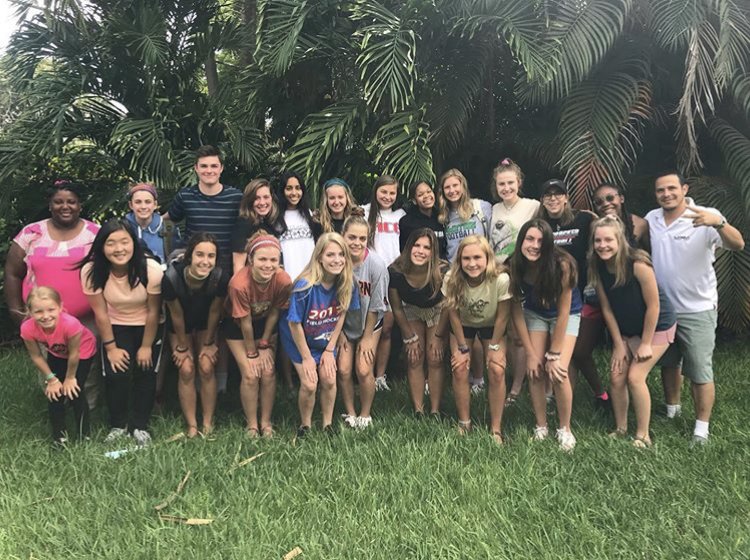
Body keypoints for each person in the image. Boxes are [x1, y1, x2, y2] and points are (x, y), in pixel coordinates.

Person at [645, 171, 744, 445]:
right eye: (660, 190)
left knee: (700, 369)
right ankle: (672, 410)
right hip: (664, 309)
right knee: (669, 363)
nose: (666, 194)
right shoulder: (652, 218)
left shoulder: (705, 214)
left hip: (697, 307)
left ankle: (701, 428)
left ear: (684, 189)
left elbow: (738, 244)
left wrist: (720, 223)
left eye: (671, 189)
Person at [589, 216, 676, 447]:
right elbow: (606, 308)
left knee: (635, 377)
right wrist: (619, 343)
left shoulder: (638, 263)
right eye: (598, 240)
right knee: (617, 377)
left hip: (657, 326)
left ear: (620, 240)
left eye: (608, 240)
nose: (602, 245)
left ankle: (643, 434)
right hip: (627, 329)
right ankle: (620, 427)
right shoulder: (596, 265)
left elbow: (654, 306)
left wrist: (646, 343)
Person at [78, 219, 164, 447]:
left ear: (134, 243)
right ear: (101, 247)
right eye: (111, 243)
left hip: (148, 323)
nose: (119, 249)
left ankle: (140, 425)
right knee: (116, 375)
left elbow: (154, 312)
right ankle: (118, 424)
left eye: (124, 242)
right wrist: (111, 348)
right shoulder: (91, 271)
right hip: (115, 324)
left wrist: (146, 346)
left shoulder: (151, 269)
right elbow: (101, 313)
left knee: (145, 372)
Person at [279, 233, 359, 437]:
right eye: (330, 254)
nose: (337, 259)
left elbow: (341, 315)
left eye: (341, 254)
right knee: (309, 383)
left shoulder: (347, 283)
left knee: (329, 378)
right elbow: (294, 323)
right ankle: (305, 425)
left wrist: (330, 349)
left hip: (324, 337)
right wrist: (306, 358)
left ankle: (327, 424)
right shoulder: (305, 286)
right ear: (319, 258)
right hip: (299, 340)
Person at [537, 179, 609, 406]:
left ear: (566, 197)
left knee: (579, 350)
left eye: (558, 194)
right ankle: (562, 397)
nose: (553, 198)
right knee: (559, 348)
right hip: (552, 295)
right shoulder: (540, 225)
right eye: (548, 195)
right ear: (542, 200)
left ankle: (600, 393)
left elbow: (608, 233)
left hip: (585, 293)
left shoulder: (584, 219)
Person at [510, 219, 580, 451]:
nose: (534, 245)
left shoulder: (562, 265)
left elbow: (563, 312)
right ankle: (541, 426)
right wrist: (531, 353)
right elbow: (517, 312)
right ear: (521, 240)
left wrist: (554, 353)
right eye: (529, 239)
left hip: (566, 315)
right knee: (534, 371)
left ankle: (565, 429)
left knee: (558, 371)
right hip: (535, 314)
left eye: (541, 241)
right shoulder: (515, 265)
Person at [439, 235, 511, 442]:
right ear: (459, 260)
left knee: (497, 369)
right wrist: (462, 346)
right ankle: (464, 423)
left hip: (492, 326)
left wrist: (495, 346)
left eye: (477, 258)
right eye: (466, 258)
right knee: (460, 367)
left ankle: (496, 428)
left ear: (488, 258)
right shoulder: (452, 277)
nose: (472, 264)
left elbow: (503, 316)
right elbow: (452, 312)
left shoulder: (501, 279)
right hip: (463, 324)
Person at [5, 180, 99, 329]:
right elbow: (12, 273)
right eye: (58, 202)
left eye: (71, 202)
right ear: (50, 205)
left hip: (88, 323)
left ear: (80, 206)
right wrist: (16, 312)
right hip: (41, 323)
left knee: (88, 352)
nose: (65, 206)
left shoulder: (95, 234)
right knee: (41, 354)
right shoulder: (31, 233)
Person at [225, 234, 292, 437]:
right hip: (237, 327)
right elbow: (244, 322)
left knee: (269, 371)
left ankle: (266, 422)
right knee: (251, 374)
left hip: (265, 325)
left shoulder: (283, 280)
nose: (268, 265)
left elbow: (274, 312)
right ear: (251, 260)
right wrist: (252, 353)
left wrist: (264, 342)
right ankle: (252, 424)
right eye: (262, 259)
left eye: (273, 260)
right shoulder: (238, 284)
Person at [162, 233, 228, 437]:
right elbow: (176, 315)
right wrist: (182, 346)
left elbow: (215, 311)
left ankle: (207, 423)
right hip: (180, 325)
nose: (205, 261)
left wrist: (208, 343)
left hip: (205, 324)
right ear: (190, 256)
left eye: (211, 256)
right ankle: (191, 425)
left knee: (207, 365)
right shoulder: (171, 278)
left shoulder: (219, 278)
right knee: (186, 368)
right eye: (200, 255)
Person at [488, 158, 540, 406]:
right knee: (504, 329)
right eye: (501, 184)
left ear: (518, 182)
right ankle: (502, 376)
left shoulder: (533, 206)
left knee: (520, 333)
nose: (506, 188)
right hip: (497, 276)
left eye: (510, 183)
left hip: (520, 274)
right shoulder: (493, 209)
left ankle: (517, 387)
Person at [437, 168, 492, 394]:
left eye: (455, 185)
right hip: (455, 276)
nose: (451, 190)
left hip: (481, 274)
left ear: (463, 186)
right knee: (461, 325)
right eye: (447, 187)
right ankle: (461, 374)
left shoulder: (481, 208)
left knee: (479, 327)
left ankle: (478, 379)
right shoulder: (442, 216)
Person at [20, 287, 97, 445]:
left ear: (60, 307)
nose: (46, 316)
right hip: (57, 353)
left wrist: (70, 378)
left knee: (75, 390)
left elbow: (74, 354)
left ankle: (85, 435)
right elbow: (36, 355)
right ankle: (59, 437)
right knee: (54, 393)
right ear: (29, 311)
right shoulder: (27, 328)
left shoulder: (71, 324)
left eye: (51, 310)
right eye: (39, 312)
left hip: (82, 352)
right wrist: (51, 379)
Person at [390, 229, 447, 415]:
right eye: (417, 245)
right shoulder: (396, 271)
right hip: (411, 309)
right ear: (409, 247)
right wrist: (409, 337)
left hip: (438, 310)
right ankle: (419, 410)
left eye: (427, 247)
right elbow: (397, 308)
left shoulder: (443, 270)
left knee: (435, 357)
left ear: (433, 252)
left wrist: (438, 336)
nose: (421, 251)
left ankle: (435, 410)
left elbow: (448, 306)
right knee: (414, 357)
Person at [338, 216, 388, 429]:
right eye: (351, 237)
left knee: (364, 368)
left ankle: (365, 415)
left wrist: (367, 338)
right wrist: (339, 333)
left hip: (370, 321)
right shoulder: (336, 262)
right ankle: (350, 412)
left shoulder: (376, 265)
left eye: (362, 238)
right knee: (344, 369)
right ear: (343, 236)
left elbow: (377, 306)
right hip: (344, 324)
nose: (356, 243)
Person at [163, 145, 241, 271]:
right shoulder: (185, 196)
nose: (209, 171)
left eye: (214, 166)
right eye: (204, 166)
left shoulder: (236, 197)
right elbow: (165, 220)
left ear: (221, 168)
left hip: (225, 270)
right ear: (196, 168)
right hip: (191, 270)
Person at [362, 175, 405, 391]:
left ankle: (380, 376)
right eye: (383, 192)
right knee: (367, 328)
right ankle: (364, 372)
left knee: (386, 329)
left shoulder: (401, 216)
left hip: (393, 277)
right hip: (368, 277)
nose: (387, 196)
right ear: (376, 191)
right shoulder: (363, 212)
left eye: (392, 193)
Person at [231, 178, 285, 274]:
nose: (262, 202)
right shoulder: (243, 224)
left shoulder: (272, 223)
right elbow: (238, 267)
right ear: (249, 201)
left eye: (266, 197)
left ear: (271, 198)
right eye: (257, 198)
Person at [276, 171, 322, 281]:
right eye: (289, 188)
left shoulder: (310, 215)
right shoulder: (276, 217)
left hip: (310, 280)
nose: (294, 192)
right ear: (282, 191)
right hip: (287, 281)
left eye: (298, 188)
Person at [125, 183, 179, 265]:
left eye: (148, 202)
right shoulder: (123, 228)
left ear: (155, 205)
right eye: (138, 202)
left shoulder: (168, 228)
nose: (143, 206)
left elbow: (175, 259)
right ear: (131, 205)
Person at [398, 180, 447, 260]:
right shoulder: (407, 222)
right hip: (417, 268)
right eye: (420, 195)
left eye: (429, 191)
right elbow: (404, 251)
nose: (426, 196)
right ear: (414, 201)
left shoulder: (441, 217)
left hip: (440, 268)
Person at [592, 183, 649, 249]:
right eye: (599, 202)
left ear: (621, 199)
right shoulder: (594, 226)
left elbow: (650, 252)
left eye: (610, 198)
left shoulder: (640, 224)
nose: (605, 204)